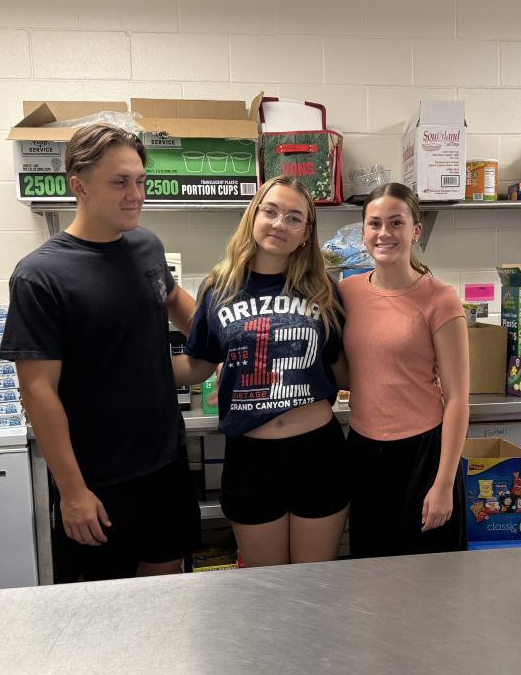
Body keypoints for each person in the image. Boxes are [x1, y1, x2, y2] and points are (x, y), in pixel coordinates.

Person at [0, 123, 200, 582]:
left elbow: (172, 298)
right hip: (98, 478)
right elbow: (38, 391)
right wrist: (72, 491)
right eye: (120, 182)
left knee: (166, 586)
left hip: (164, 462)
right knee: (100, 608)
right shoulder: (40, 275)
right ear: (79, 186)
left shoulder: (146, 245)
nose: (136, 195)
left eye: (140, 181)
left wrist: (225, 338)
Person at [174, 177, 348, 567]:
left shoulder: (323, 289)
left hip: (317, 453)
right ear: (253, 216)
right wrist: (130, 370)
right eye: (270, 211)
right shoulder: (219, 288)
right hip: (251, 457)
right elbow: (199, 364)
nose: (279, 224)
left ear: (306, 233)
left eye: (294, 218)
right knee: (266, 585)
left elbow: (342, 370)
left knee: (314, 582)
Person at [339, 182, 469, 558]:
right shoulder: (347, 292)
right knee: (372, 572)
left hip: (424, 454)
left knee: (431, 576)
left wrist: (443, 483)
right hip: (364, 451)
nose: (385, 233)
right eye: (374, 223)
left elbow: (458, 399)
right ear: (363, 232)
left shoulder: (440, 299)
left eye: (396, 222)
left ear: (416, 231)